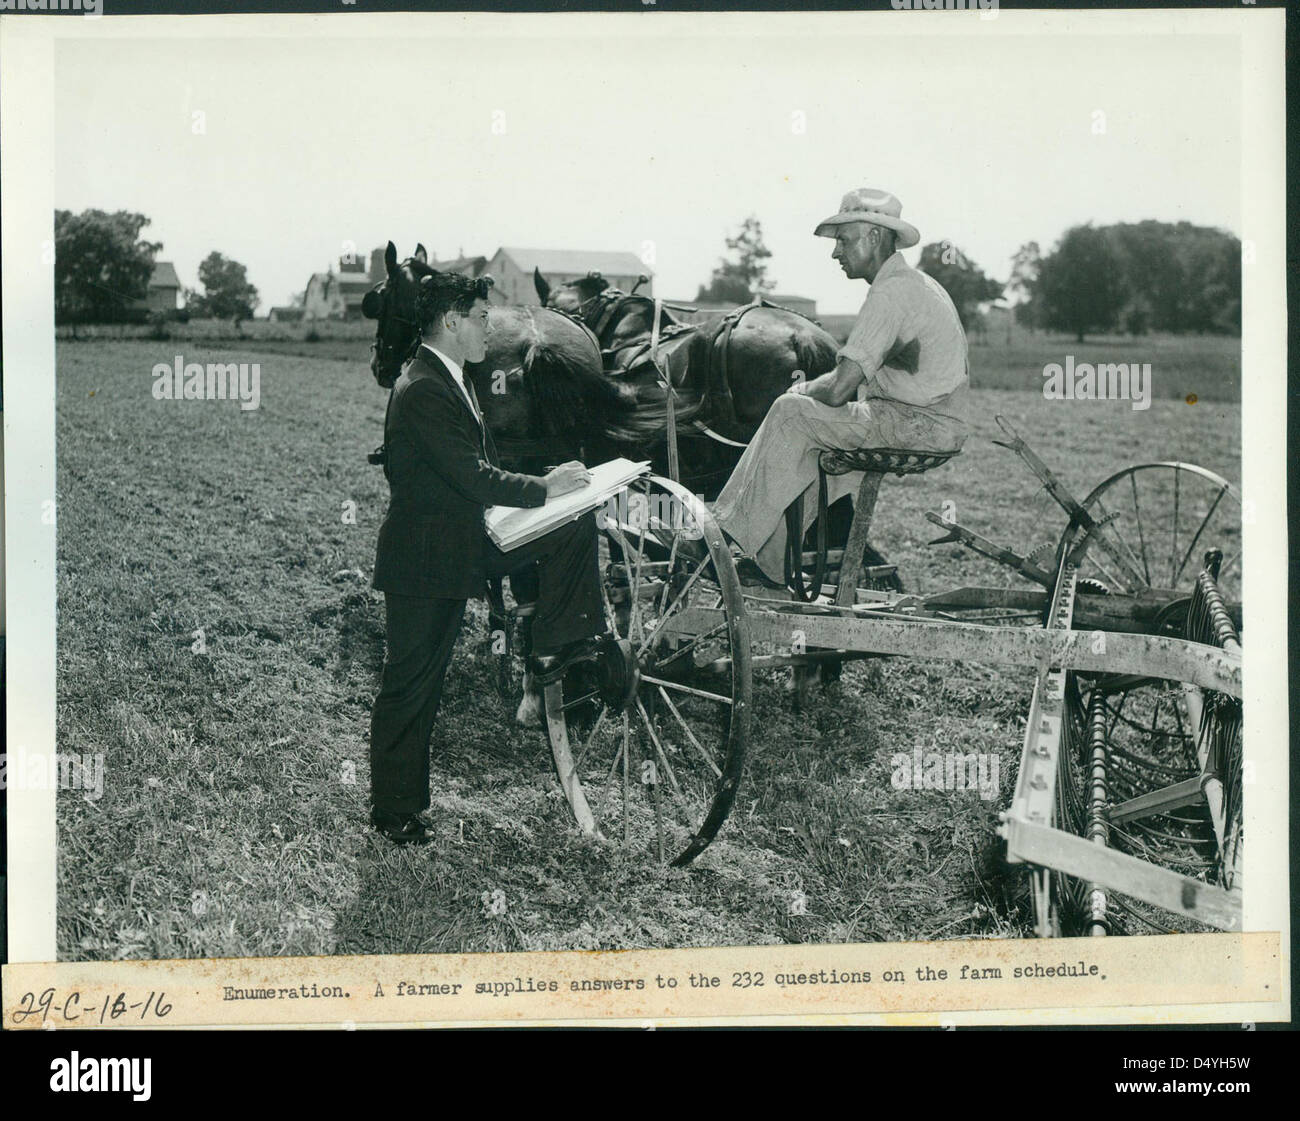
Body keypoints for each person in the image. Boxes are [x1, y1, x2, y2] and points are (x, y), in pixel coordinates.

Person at [368, 271, 605, 845]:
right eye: (479, 317)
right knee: (411, 685)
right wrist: (544, 486)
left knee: (573, 527)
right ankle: (394, 813)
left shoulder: (449, 378)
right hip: (425, 560)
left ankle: (555, 644)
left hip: (457, 543)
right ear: (450, 323)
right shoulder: (425, 386)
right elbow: (473, 475)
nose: (486, 327)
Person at [712, 188, 971, 584]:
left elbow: (838, 389)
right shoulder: (915, 284)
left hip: (912, 423)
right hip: (931, 422)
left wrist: (800, 391)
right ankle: (770, 565)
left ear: (874, 237)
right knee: (809, 456)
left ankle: (721, 537)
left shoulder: (891, 293)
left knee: (788, 411)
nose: (836, 253)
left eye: (843, 240)